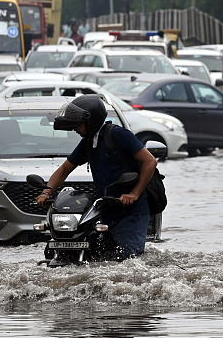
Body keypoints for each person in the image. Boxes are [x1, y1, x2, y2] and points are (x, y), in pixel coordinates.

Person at [36, 95, 158, 259]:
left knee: (128, 259)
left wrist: (134, 194)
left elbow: (150, 161)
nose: (75, 129)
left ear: (91, 121)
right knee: (98, 257)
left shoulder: (118, 135)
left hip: (131, 212)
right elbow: (64, 169)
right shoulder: (88, 142)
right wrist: (47, 191)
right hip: (106, 210)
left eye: (78, 125)